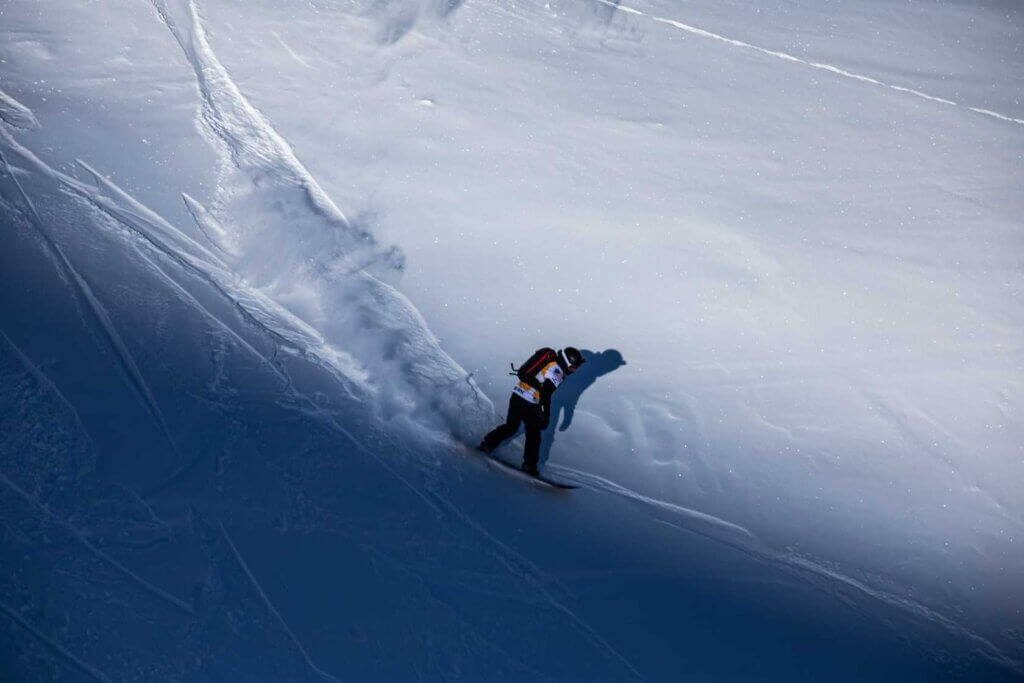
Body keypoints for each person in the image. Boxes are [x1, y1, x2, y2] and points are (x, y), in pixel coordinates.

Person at [477, 346, 586, 476]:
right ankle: (529, 466)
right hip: (531, 401)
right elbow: (545, 394)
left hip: (517, 395)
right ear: (567, 362)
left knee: (511, 427)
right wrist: (545, 415)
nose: (574, 371)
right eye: (573, 367)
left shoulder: (550, 362)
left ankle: (487, 444)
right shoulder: (557, 371)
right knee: (534, 435)